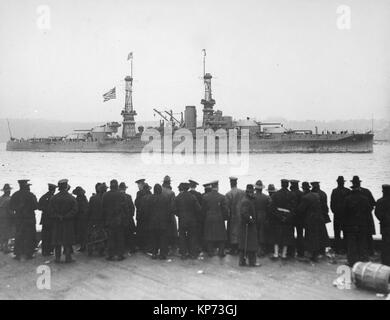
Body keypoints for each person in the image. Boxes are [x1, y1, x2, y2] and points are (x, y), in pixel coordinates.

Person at [297, 182, 329, 262]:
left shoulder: (305, 197)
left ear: (303, 188)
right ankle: (317, 254)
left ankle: (312, 256)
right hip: (319, 218)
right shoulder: (316, 195)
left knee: (310, 237)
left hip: (310, 220)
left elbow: (300, 210)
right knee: (317, 236)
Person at [343, 182, 372, 267]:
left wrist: (345, 225)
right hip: (362, 224)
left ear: (352, 189)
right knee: (362, 242)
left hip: (351, 225)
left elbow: (344, 212)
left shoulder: (347, 199)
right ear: (359, 190)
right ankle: (363, 259)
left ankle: (352, 261)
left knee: (351, 244)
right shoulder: (365, 199)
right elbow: (368, 211)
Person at [49, 179, 78, 263]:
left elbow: (50, 210)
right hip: (68, 222)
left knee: (57, 240)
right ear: (66, 186)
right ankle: (68, 258)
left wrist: (58, 216)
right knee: (67, 241)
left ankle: (57, 258)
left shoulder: (53, 198)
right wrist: (66, 216)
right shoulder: (71, 198)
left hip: (57, 222)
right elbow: (75, 210)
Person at [9, 179, 38, 260]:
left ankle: (18, 253)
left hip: (19, 219)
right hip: (29, 219)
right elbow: (36, 206)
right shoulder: (30, 195)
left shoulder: (15, 195)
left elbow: (11, 207)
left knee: (19, 236)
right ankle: (29, 253)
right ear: (26, 186)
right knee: (29, 236)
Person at [268, 179, 296, 260]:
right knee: (286, 236)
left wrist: (279, 216)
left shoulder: (276, 195)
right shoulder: (292, 195)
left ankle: (276, 254)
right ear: (287, 185)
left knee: (276, 236)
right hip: (288, 219)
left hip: (278, 219)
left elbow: (272, 208)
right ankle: (284, 254)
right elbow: (294, 209)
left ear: (281, 184)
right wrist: (287, 217)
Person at [174, 182, 201, 259]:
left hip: (182, 220)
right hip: (192, 220)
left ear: (181, 189)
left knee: (182, 236)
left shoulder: (178, 197)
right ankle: (192, 253)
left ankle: (183, 254)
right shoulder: (192, 197)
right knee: (192, 236)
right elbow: (198, 209)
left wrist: (179, 215)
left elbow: (174, 209)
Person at [350, 176, 376, 256]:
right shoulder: (366, 191)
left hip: (357, 218)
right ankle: (370, 251)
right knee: (368, 234)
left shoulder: (351, 194)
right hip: (366, 216)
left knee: (360, 235)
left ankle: (364, 252)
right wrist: (367, 211)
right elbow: (373, 204)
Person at [102, 179, 127, 261]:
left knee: (110, 238)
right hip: (119, 220)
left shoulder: (105, 195)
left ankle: (110, 255)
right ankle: (120, 255)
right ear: (117, 186)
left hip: (109, 220)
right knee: (120, 238)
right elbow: (125, 208)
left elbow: (103, 208)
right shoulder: (121, 195)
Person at [202, 181, 229, 257]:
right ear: (217, 187)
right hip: (219, 218)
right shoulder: (222, 197)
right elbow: (225, 210)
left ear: (211, 187)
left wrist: (204, 218)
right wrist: (225, 218)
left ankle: (210, 252)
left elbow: (203, 210)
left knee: (209, 235)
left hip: (209, 218)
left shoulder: (205, 197)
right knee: (221, 236)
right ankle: (221, 252)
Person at [149, 184, 172, 260]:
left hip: (153, 222)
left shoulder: (150, 198)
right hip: (163, 222)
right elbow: (169, 211)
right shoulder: (165, 198)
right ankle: (162, 254)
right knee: (163, 239)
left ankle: (154, 253)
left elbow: (147, 210)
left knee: (153, 238)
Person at [238, 184, 258, 267]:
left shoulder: (247, 199)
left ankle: (242, 261)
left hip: (245, 225)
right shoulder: (246, 201)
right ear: (248, 192)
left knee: (245, 244)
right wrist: (251, 220)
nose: (253, 193)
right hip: (248, 225)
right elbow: (244, 213)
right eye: (251, 192)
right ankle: (252, 262)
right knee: (250, 244)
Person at [225, 177, 246, 255]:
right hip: (241, 215)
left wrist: (227, 216)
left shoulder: (228, 194)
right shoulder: (242, 192)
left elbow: (226, 207)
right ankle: (240, 248)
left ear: (230, 183)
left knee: (232, 232)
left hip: (233, 216)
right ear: (236, 183)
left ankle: (233, 249)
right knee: (240, 231)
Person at [330, 176, 350, 254]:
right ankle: (344, 248)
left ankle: (338, 249)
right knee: (344, 233)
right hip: (344, 215)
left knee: (338, 233)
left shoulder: (335, 191)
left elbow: (332, 204)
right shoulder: (347, 191)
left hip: (338, 215)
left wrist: (335, 211)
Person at [310, 181, 331, 255]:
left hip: (315, 216)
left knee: (316, 234)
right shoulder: (323, 193)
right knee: (323, 233)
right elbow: (325, 207)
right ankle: (322, 249)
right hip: (322, 215)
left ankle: (317, 250)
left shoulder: (313, 194)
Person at [87, 183, 106, 256]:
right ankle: (100, 252)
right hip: (102, 219)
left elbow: (89, 210)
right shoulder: (105, 198)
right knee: (101, 236)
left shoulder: (92, 198)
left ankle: (90, 251)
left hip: (93, 219)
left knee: (92, 236)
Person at [38, 183, 57, 256]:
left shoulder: (43, 197)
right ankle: (50, 250)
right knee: (51, 235)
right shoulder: (54, 197)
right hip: (52, 219)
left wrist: (45, 209)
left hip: (45, 218)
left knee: (45, 235)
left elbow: (39, 207)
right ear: (54, 190)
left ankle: (44, 250)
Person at [253, 180, 271, 257]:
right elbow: (269, 208)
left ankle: (255, 249)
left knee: (254, 232)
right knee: (262, 233)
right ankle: (262, 250)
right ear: (262, 188)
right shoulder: (266, 197)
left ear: (256, 188)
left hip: (255, 215)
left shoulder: (252, 197)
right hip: (263, 216)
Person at [375, 184, 390, 266]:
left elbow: (377, 213)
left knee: (385, 244)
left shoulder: (379, 201)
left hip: (384, 226)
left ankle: (385, 261)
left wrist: (383, 219)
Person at [162, 175, 178, 253]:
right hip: (169, 216)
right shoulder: (171, 193)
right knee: (172, 231)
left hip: (160, 216)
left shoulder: (159, 190)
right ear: (169, 183)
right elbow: (173, 207)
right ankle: (172, 247)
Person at [119, 182, 136, 253]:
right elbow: (132, 208)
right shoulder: (128, 197)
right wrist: (130, 216)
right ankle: (132, 248)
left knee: (120, 234)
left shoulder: (117, 196)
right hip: (128, 218)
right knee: (130, 234)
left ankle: (121, 249)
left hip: (120, 219)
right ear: (125, 189)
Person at [135, 179, 150, 252]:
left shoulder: (139, 193)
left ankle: (141, 245)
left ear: (141, 185)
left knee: (140, 231)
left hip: (140, 216)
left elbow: (136, 204)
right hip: (148, 216)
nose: (138, 186)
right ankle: (146, 245)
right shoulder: (149, 192)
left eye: (138, 185)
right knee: (147, 231)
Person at [290, 179, 304, 258]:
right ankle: (300, 252)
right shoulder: (301, 194)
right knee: (300, 235)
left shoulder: (290, 194)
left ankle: (291, 251)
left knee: (291, 234)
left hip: (292, 217)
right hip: (300, 218)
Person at [189, 179, 204, 253]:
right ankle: (197, 248)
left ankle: (189, 248)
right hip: (196, 218)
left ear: (189, 186)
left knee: (189, 233)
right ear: (195, 186)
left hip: (188, 217)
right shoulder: (198, 194)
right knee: (196, 234)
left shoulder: (187, 194)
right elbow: (201, 207)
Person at [73, 186, 89, 252]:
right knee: (83, 233)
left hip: (80, 218)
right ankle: (83, 246)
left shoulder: (79, 199)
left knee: (82, 233)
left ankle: (83, 247)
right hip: (84, 218)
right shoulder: (84, 198)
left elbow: (79, 209)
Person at [0, 184, 14, 253]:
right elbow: (10, 210)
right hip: (7, 218)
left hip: (0, 218)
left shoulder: (0, 198)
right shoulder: (9, 199)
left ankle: (1, 246)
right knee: (7, 233)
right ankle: (6, 248)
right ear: (8, 191)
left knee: (1, 232)